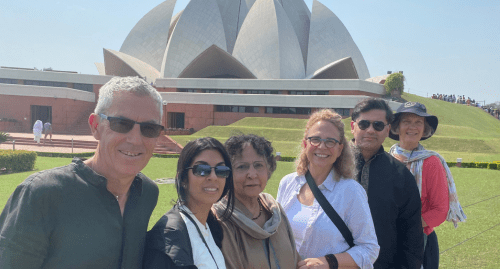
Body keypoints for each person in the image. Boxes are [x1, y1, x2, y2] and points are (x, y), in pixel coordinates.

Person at [0, 76, 163, 268]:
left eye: (149, 128)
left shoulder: (147, 193)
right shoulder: (42, 194)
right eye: (121, 124)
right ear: (95, 126)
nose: (136, 140)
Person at [278, 109, 379, 269]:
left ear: (340, 149)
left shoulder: (351, 191)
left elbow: (370, 249)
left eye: (330, 141)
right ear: (305, 144)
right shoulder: (287, 183)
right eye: (315, 139)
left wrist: (329, 262)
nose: (322, 146)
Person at [388, 102, 466, 269]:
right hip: (386, 240)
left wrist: (403, 226)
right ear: (396, 127)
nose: (412, 127)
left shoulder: (432, 163)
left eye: (419, 122)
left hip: (420, 241)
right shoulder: (385, 160)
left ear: (425, 129)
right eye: (406, 121)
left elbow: (439, 211)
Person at [351, 98, 423, 269]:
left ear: (387, 130)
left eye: (378, 125)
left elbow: (411, 236)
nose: (370, 130)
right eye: (364, 124)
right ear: (353, 127)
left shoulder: (401, 175)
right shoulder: (331, 167)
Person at [144, 137, 235, 269]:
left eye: (221, 171)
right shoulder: (168, 237)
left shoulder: (211, 225)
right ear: (183, 178)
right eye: (202, 169)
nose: (213, 177)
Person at [213, 134, 299, 269]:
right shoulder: (219, 219)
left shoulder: (275, 211)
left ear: (269, 169)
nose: (252, 174)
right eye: (242, 167)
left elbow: (295, 260)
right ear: (227, 172)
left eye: (258, 165)